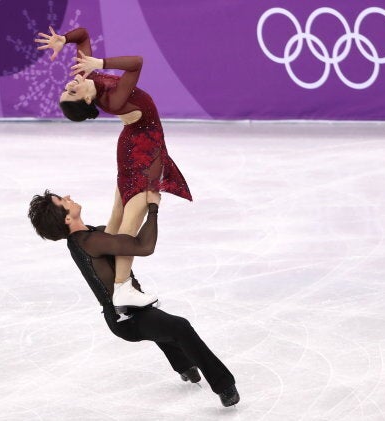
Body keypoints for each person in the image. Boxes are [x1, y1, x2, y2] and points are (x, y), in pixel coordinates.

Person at [27, 190, 240, 407]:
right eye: (63, 201)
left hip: (129, 312)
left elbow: (117, 222)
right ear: (67, 218)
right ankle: (224, 386)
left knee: (160, 324)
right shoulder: (89, 241)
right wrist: (153, 209)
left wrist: (123, 190)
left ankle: (185, 367)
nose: (68, 196)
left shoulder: (88, 236)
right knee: (180, 327)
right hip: (126, 319)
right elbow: (143, 246)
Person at [35, 26, 192, 312]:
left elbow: (82, 34)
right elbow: (137, 63)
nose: (70, 84)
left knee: (117, 217)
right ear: (84, 99)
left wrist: (63, 40)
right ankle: (122, 289)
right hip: (143, 151)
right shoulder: (114, 99)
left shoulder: (86, 78)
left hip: (133, 144)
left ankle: (108, 272)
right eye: (71, 91)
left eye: (67, 88)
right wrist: (101, 64)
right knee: (129, 224)